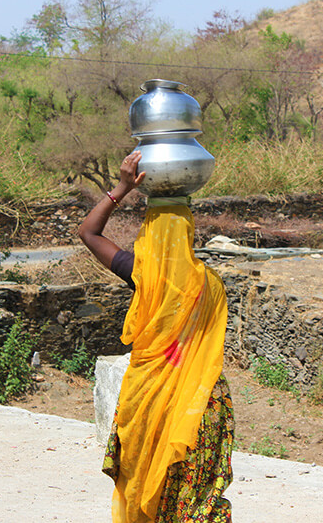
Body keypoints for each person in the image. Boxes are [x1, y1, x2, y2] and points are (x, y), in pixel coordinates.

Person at [79, 151, 234, 523]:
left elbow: (88, 233)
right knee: (197, 502)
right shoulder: (210, 286)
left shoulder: (142, 277)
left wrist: (120, 189)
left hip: (146, 402)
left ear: (148, 234)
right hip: (200, 407)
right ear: (190, 233)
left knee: (149, 491)